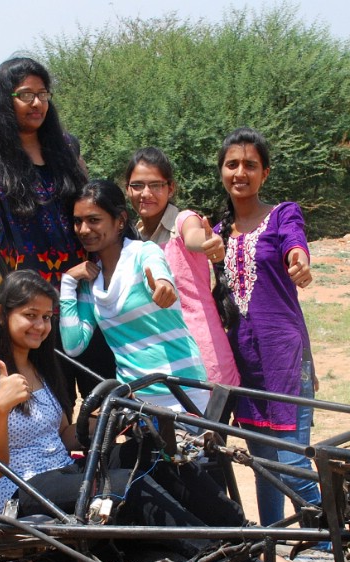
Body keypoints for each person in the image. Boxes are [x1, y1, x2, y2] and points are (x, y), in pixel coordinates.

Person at [0, 272, 323, 562]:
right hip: (21, 491)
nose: (39, 326)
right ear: (3, 314)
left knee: (159, 458)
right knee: (128, 485)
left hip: (63, 471)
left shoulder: (39, 367)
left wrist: (104, 420)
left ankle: (250, 545)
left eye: (46, 318)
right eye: (30, 316)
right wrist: (0, 408)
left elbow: (65, 436)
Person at [0, 56, 114, 391]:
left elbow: (88, 201)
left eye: (42, 93)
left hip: (83, 289)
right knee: (51, 394)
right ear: (4, 100)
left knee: (103, 386)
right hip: (30, 302)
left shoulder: (66, 148)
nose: (37, 102)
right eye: (25, 94)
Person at [215, 128, 321, 526]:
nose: (240, 172)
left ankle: (333, 542)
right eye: (232, 164)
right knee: (263, 463)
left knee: (293, 462)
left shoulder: (282, 214)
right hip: (244, 364)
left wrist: (299, 258)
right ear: (222, 171)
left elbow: (295, 240)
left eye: (250, 165)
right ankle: (273, 540)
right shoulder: (217, 232)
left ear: (265, 174)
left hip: (284, 358)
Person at [59, 179, 209, 414]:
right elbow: (73, 346)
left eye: (94, 220)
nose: (84, 230)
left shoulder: (143, 253)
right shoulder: (91, 283)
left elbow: (159, 276)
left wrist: (163, 286)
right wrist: (68, 282)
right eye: (78, 221)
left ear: (120, 221)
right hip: (137, 399)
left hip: (182, 390)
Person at [125, 147, 241, 387]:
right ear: (127, 189)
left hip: (202, 356)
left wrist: (209, 243)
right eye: (137, 185)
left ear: (171, 188)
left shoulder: (183, 220)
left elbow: (194, 237)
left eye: (156, 185)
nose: (146, 193)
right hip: (163, 363)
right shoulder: (135, 237)